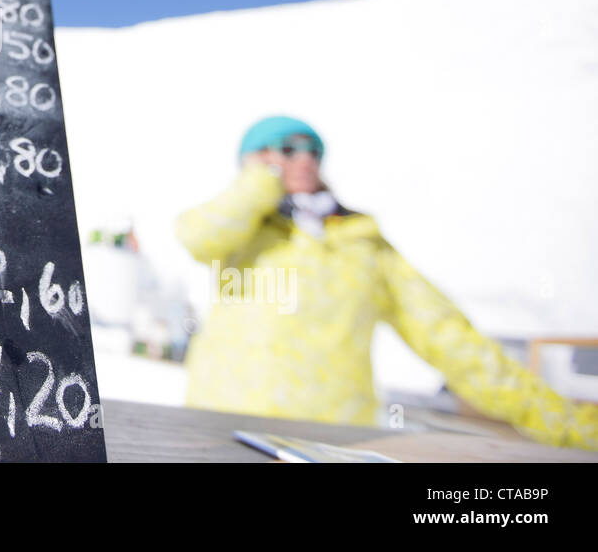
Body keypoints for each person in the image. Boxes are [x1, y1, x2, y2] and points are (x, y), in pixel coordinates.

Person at [176, 115, 597, 450]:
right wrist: (258, 182)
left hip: (331, 442)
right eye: (287, 150)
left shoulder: (364, 243)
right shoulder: (241, 234)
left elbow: (450, 339)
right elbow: (197, 236)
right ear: (256, 161)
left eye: (313, 151)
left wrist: (565, 422)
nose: (305, 159)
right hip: (226, 433)